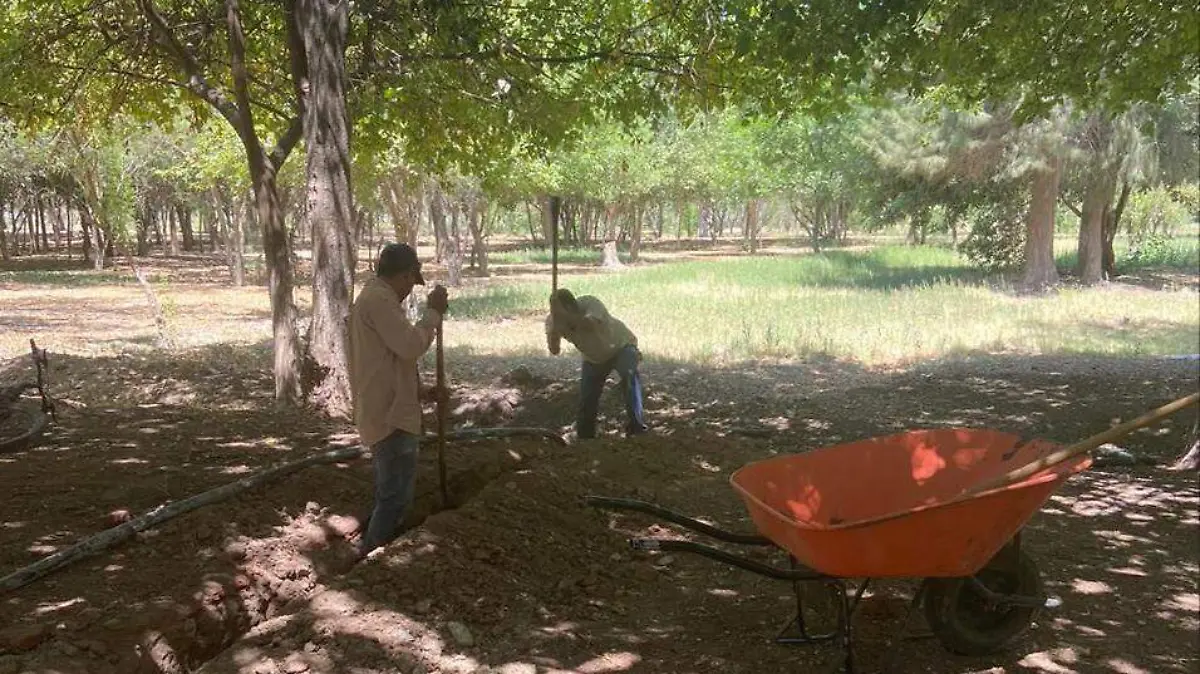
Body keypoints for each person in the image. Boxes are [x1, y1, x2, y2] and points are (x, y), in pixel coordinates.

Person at [348, 243, 448, 559]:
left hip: (391, 408)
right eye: (410, 282)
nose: (409, 290)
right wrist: (433, 314)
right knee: (394, 498)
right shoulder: (379, 300)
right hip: (389, 417)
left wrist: (421, 392)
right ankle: (373, 559)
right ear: (404, 275)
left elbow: (388, 362)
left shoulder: (378, 299)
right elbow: (408, 346)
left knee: (397, 495)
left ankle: (382, 552)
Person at [545, 288, 648, 439]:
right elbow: (554, 351)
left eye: (560, 311)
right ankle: (585, 438)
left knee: (629, 373)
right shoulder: (553, 321)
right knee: (587, 398)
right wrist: (554, 333)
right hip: (593, 358)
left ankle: (637, 427)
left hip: (621, 347)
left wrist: (567, 321)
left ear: (571, 307)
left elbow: (590, 324)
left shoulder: (590, 303)